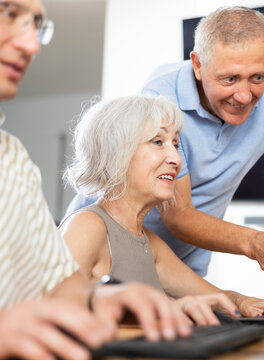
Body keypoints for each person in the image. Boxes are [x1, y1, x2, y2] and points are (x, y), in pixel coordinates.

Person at [66, 6, 264, 284]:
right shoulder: (162, 100)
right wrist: (254, 242)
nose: (245, 95)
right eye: (230, 79)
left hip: (179, 267)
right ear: (197, 65)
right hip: (110, 255)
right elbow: (179, 214)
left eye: (258, 77)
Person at [0, 1, 209, 359]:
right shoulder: (88, 224)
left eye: (36, 24)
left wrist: (104, 297)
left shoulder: (14, 160)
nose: (32, 44)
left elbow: (59, 293)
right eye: (8, 13)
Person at [59, 95, 264, 320]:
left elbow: (213, 298)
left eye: (174, 144)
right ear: (116, 153)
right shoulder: (87, 226)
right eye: (158, 142)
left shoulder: (149, 244)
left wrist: (246, 302)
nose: (175, 159)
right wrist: (165, 309)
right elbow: (53, 310)